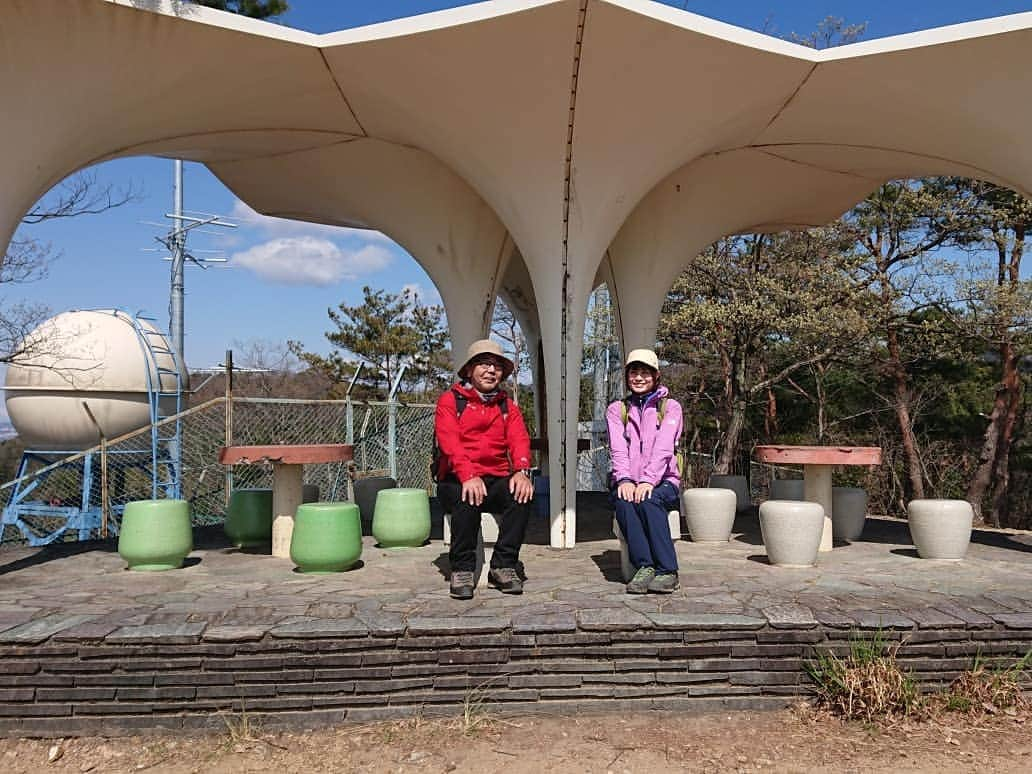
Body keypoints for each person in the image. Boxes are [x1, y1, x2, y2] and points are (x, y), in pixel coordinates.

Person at [434, 339, 534, 600]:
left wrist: (522, 471)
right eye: (483, 364)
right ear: (469, 370)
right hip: (456, 476)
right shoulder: (450, 401)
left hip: (495, 477)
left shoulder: (507, 406)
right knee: (466, 498)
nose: (491, 370)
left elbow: (519, 439)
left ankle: (503, 565)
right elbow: (449, 443)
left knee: (521, 495)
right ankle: (462, 569)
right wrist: (468, 475)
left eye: (497, 366)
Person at [607, 348, 683, 594]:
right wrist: (625, 480)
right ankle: (645, 565)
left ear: (656, 376)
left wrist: (648, 481)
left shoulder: (670, 407)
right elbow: (617, 449)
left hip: (664, 480)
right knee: (624, 500)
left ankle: (668, 570)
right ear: (627, 376)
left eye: (645, 373)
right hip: (630, 479)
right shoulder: (617, 410)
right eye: (634, 373)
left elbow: (664, 448)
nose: (639, 378)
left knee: (649, 500)